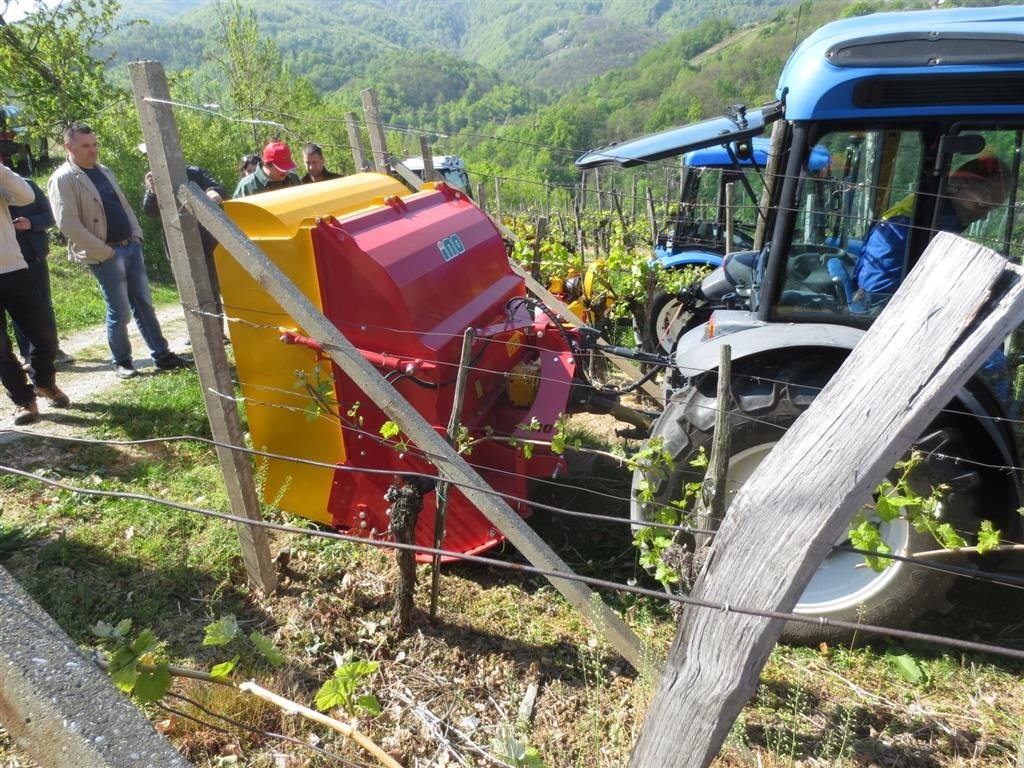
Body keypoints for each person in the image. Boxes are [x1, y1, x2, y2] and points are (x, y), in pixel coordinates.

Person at [48, 123, 190, 380]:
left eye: (94, 144)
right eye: (85, 146)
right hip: (106, 254)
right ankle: (122, 361)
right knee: (120, 310)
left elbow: (123, 206)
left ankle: (162, 355)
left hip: (130, 245)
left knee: (145, 305)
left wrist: (136, 234)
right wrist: (104, 251)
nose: (93, 150)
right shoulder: (63, 178)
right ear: (69, 147)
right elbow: (67, 224)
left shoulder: (103, 170)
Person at [853, 155, 1010, 305]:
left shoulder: (939, 214)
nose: (983, 216)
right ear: (958, 186)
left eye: (991, 209)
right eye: (982, 206)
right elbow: (878, 293)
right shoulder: (907, 225)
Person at [0, 162, 69, 424]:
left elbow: (26, 195)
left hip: (14, 269)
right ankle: (24, 401)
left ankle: (44, 383)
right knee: (0, 349)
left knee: (45, 335)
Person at [141, 155, 227, 322]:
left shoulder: (194, 172)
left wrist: (212, 192)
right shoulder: (156, 179)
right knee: (188, 291)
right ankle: (197, 329)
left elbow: (218, 189)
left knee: (210, 288)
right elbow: (150, 211)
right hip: (176, 245)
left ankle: (217, 329)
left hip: (204, 243)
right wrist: (152, 192)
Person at [9, 178, 74, 365]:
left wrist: (30, 223)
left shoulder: (27, 184)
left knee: (44, 305)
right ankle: (28, 355)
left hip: (35, 256)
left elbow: (51, 215)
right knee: (19, 309)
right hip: (10, 262)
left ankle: (53, 349)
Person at [232, 140, 301, 198]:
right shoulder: (246, 187)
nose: (286, 172)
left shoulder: (293, 179)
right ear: (267, 165)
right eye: (281, 169)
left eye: (287, 168)